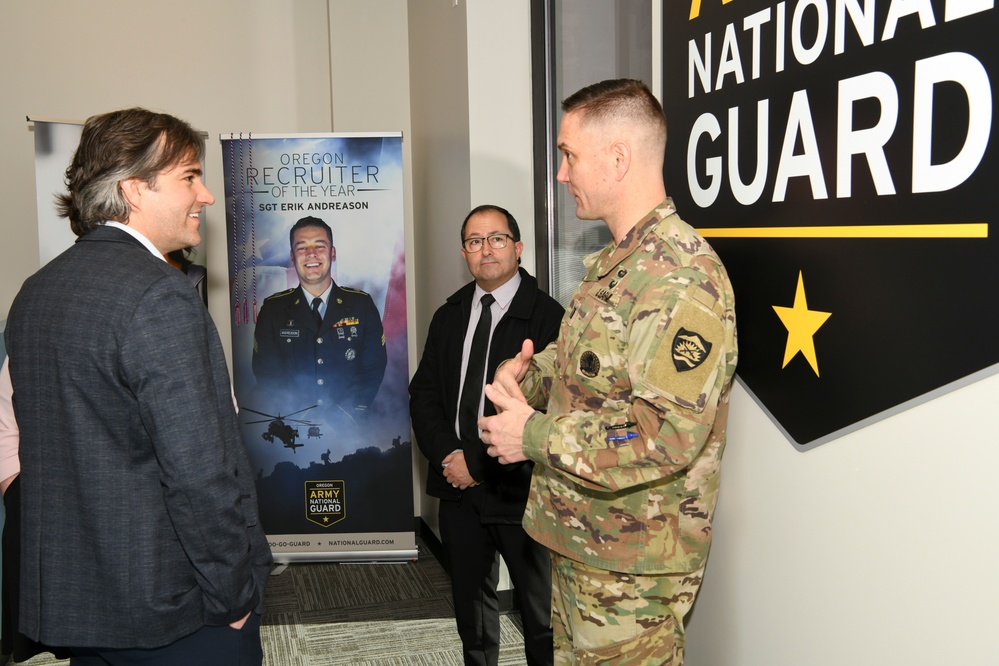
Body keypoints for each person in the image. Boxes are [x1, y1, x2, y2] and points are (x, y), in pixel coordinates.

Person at [480, 79, 739, 665]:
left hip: (634, 570)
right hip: (587, 542)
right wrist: (532, 374)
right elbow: (591, 366)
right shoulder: (614, 263)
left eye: (569, 155)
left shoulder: (680, 277)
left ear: (618, 159)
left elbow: (664, 433)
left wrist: (533, 435)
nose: (561, 174)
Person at [3, 107, 273, 665]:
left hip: (81, 604)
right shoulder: (159, 297)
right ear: (134, 189)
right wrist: (234, 593)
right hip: (176, 612)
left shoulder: (36, 291)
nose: (206, 196)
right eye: (189, 177)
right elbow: (199, 474)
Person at [410, 205, 563, 666]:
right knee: (471, 618)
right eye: (475, 241)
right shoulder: (449, 314)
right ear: (464, 253)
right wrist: (448, 456)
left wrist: (474, 463)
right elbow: (424, 394)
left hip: (520, 492)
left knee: (542, 617)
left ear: (518, 248)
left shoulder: (549, 318)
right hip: (457, 491)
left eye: (497, 239)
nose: (486, 249)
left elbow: (546, 409)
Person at [252, 216, 387, 431]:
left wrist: (349, 415)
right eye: (302, 247)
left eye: (319, 246)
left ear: (332, 253)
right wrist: (293, 419)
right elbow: (268, 375)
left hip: (351, 429)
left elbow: (372, 369)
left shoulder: (361, 305)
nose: (311, 254)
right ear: (292, 256)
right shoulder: (273, 310)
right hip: (292, 428)